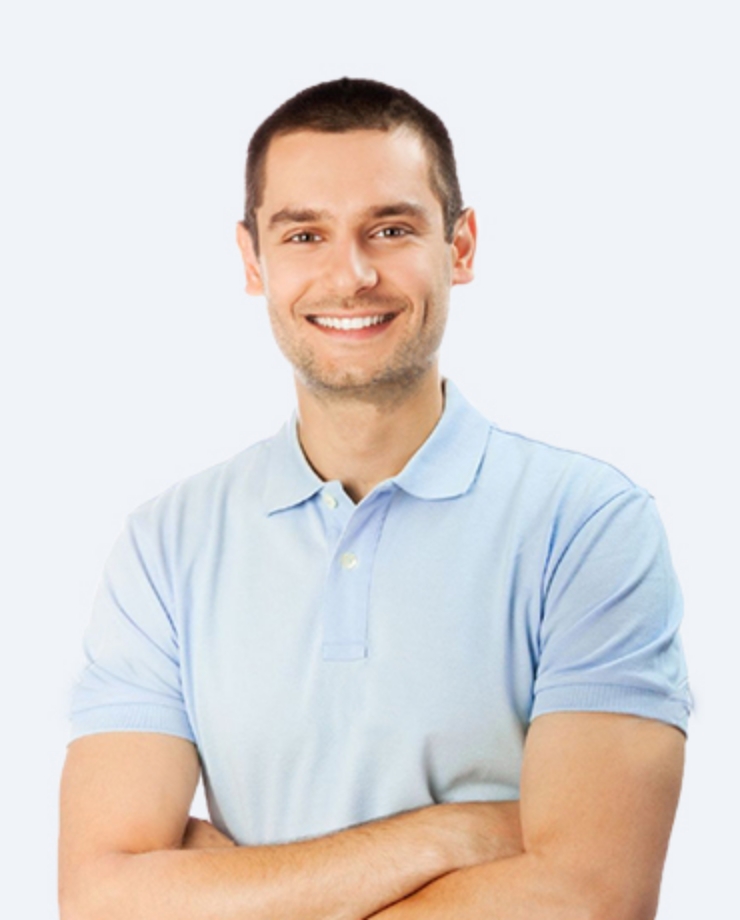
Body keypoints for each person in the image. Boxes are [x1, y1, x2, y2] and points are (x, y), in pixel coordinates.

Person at [59, 78, 691, 920]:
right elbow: (102, 897)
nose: (351, 275)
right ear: (253, 261)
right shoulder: (166, 545)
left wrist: (234, 892)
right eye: (304, 235)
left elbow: (590, 897)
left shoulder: (588, 526)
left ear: (460, 246)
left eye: (390, 230)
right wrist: (450, 835)